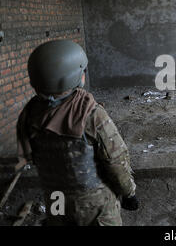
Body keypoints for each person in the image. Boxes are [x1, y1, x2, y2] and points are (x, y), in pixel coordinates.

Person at [17, 39, 139, 226]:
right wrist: (129, 193)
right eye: (82, 70)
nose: (83, 73)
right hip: (93, 205)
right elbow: (116, 161)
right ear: (71, 77)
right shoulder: (90, 113)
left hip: (55, 200)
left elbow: (29, 156)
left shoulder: (29, 113)